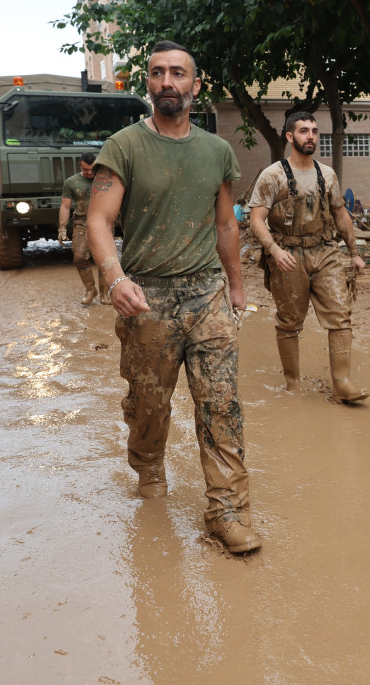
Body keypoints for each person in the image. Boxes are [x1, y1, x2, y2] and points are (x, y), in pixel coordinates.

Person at [87, 40, 260, 555]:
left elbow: (226, 224)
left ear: (195, 85)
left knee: (220, 404)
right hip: (147, 298)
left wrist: (236, 286)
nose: (169, 82)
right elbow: (98, 220)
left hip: (207, 293)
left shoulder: (217, 151)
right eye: (159, 73)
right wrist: (116, 279)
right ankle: (149, 468)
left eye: (179, 74)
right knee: (149, 404)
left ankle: (226, 511)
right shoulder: (123, 147)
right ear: (148, 83)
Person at [248, 112, 368, 403]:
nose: (311, 136)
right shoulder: (272, 175)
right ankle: (292, 384)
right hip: (287, 255)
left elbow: (341, 215)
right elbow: (256, 219)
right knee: (289, 322)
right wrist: (274, 251)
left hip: (325, 252)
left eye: (314, 130)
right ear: (290, 137)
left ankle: (342, 383)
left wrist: (354, 254)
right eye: (304, 131)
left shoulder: (327, 175)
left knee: (341, 316)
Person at [58, 151, 106, 306]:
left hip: (103, 222)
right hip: (81, 222)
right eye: (86, 170)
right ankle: (91, 290)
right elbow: (65, 206)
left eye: (92, 169)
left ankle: (105, 294)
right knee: (79, 257)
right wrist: (62, 228)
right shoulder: (72, 182)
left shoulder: (105, 180)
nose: (90, 173)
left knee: (104, 260)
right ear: (80, 165)